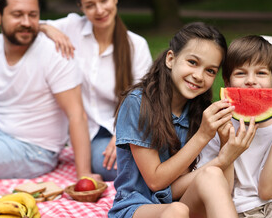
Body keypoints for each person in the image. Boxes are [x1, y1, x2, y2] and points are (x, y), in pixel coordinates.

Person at [108, 22, 259, 218]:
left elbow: (219, 191)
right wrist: (203, 135)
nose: (199, 76)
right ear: (171, 59)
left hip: (178, 202)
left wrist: (225, 153)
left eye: (210, 71)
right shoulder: (137, 104)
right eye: (193, 62)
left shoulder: (198, 111)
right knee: (177, 210)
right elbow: (155, 182)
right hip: (136, 207)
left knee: (211, 175)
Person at [0, 0, 98, 180]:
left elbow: (77, 115)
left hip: (32, 151)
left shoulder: (55, 53)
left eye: (33, 15)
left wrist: (85, 175)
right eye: (17, 14)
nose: (26, 22)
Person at [39, 0, 153, 181]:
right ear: (80, 6)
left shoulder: (136, 45)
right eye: (90, 5)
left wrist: (121, 135)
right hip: (90, 134)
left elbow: (144, 100)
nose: (99, 10)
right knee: (119, 168)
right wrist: (48, 29)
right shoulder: (73, 26)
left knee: (142, 162)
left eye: (104, 0)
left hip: (128, 127)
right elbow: (30, 23)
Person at [198, 35, 272, 217]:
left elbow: (268, 192)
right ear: (228, 83)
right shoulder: (216, 123)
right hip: (233, 205)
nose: (251, 81)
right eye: (240, 73)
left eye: (261, 73)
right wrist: (225, 142)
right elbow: (224, 189)